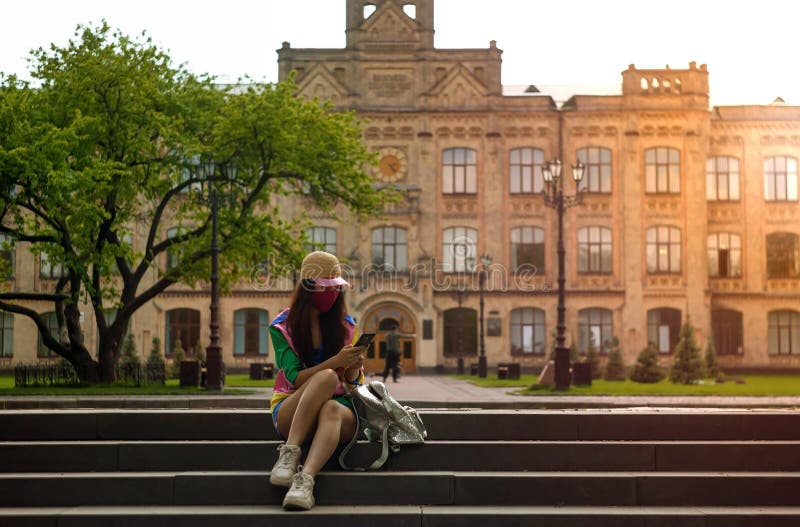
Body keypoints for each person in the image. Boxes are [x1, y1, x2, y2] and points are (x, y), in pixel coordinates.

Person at [268, 251, 365, 511]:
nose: (332, 295)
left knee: (332, 405)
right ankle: (290, 453)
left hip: (335, 415)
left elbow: (352, 384)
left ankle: (305, 481)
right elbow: (296, 379)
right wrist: (334, 363)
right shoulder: (283, 326)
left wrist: (353, 368)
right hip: (292, 409)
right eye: (325, 288)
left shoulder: (344, 325)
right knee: (324, 377)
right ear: (308, 288)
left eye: (336, 288)